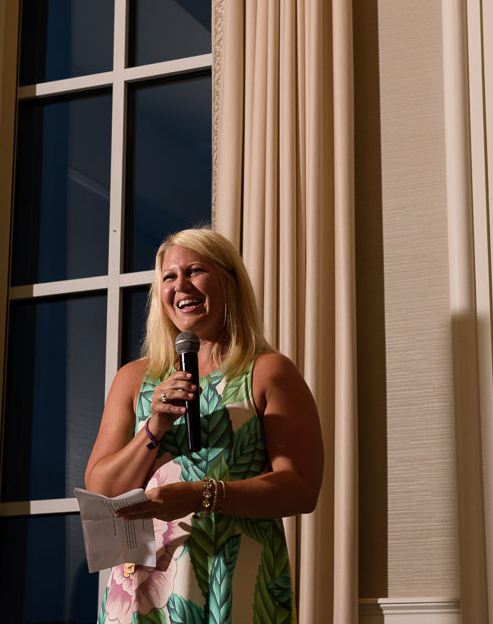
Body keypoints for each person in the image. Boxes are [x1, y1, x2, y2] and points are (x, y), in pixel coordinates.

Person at [85, 228, 323, 624]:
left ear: (228, 281)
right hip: (146, 587)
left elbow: (301, 489)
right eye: (169, 277)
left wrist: (203, 494)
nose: (181, 285)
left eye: (195, 271)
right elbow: (101, 490)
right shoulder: (133, 379)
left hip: (234, 578)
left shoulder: (266, 371)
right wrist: (153, 428)